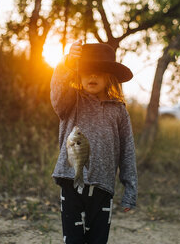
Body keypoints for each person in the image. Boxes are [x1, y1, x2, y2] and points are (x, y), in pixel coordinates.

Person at [51, 40, 138, 244]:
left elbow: (127, 151)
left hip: (103, 187)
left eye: (99, 71)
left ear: (109, 77)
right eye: (87, 70)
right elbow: (57, 90)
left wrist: (130, 189)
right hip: (70, 181)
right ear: (78, 74)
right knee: (73, 240)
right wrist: (66, 62)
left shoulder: (119, 110)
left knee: (98, 240)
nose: (92, 76)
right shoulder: (70, 101)